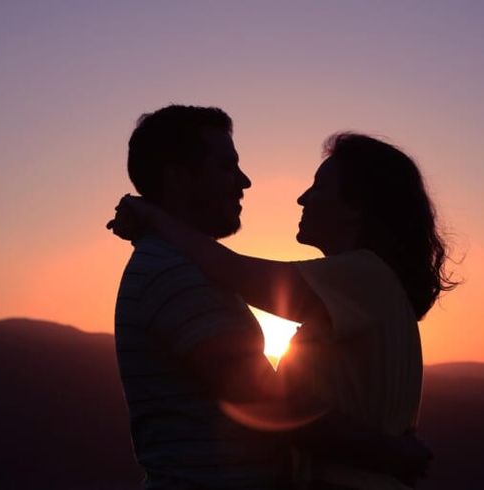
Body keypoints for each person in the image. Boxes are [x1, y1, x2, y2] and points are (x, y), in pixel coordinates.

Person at [111, 131, 457, 489]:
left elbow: (233, 271)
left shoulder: (365, 275)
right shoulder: (365, 285)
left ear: (357, 208)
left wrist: (153, 217)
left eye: (319, 188)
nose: (302, 197)